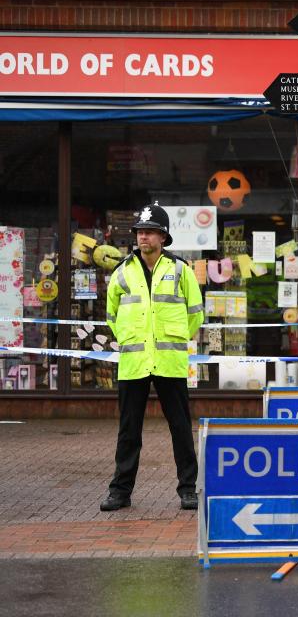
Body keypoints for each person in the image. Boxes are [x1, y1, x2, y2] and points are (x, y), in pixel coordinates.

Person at [100, 202, 204, 512]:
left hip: (170, 362)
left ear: (163, 237)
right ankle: (120, 492)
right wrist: (132, 339)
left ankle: (188, 489)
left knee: (181, 429)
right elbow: (111, 316)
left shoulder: (180, 270)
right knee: (128, 431)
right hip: (134, 363)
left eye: (149, 232)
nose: (143, 237)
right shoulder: (122, 273)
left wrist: (174, 338)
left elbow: (196, 314)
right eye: (140, 232)